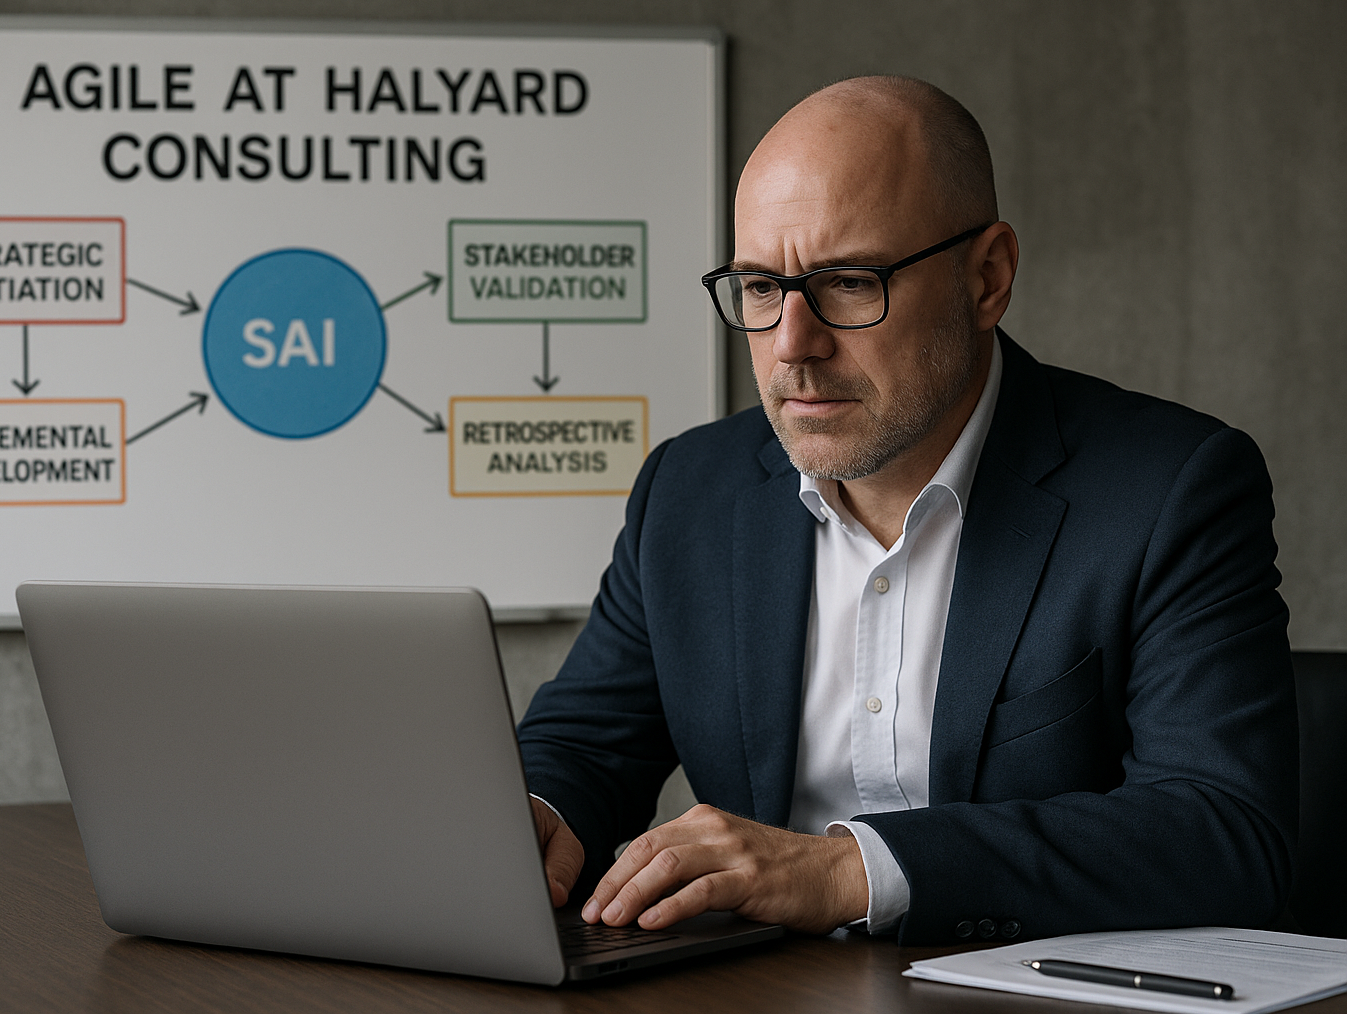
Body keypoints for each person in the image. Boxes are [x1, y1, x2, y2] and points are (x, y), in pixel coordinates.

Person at [515, 75, 1297, 946]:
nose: (792, 347)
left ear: (988, 277)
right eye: (762, 288)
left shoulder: (1170, 487)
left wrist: (849, 870)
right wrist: (536, 822)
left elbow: (1226, 833)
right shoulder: (689, 492)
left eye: (848, 283)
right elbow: (583, 744)